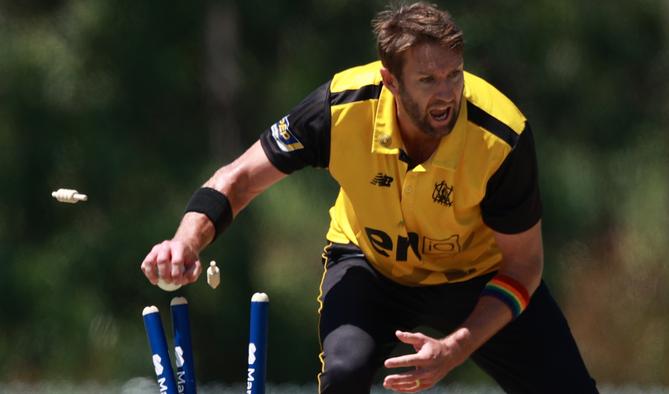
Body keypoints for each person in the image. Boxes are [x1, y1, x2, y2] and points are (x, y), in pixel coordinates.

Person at [141, 2, 598, 393]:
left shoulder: (501, 136)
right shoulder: (340, 109)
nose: (447, 94)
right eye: (427, 80)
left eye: (454, 75)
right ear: (391, 82)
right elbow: (238, 178)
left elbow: (524, 266)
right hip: (370, 265)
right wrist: (186, 242)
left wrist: (456, 347)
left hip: (476, 276)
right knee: (343, 374)